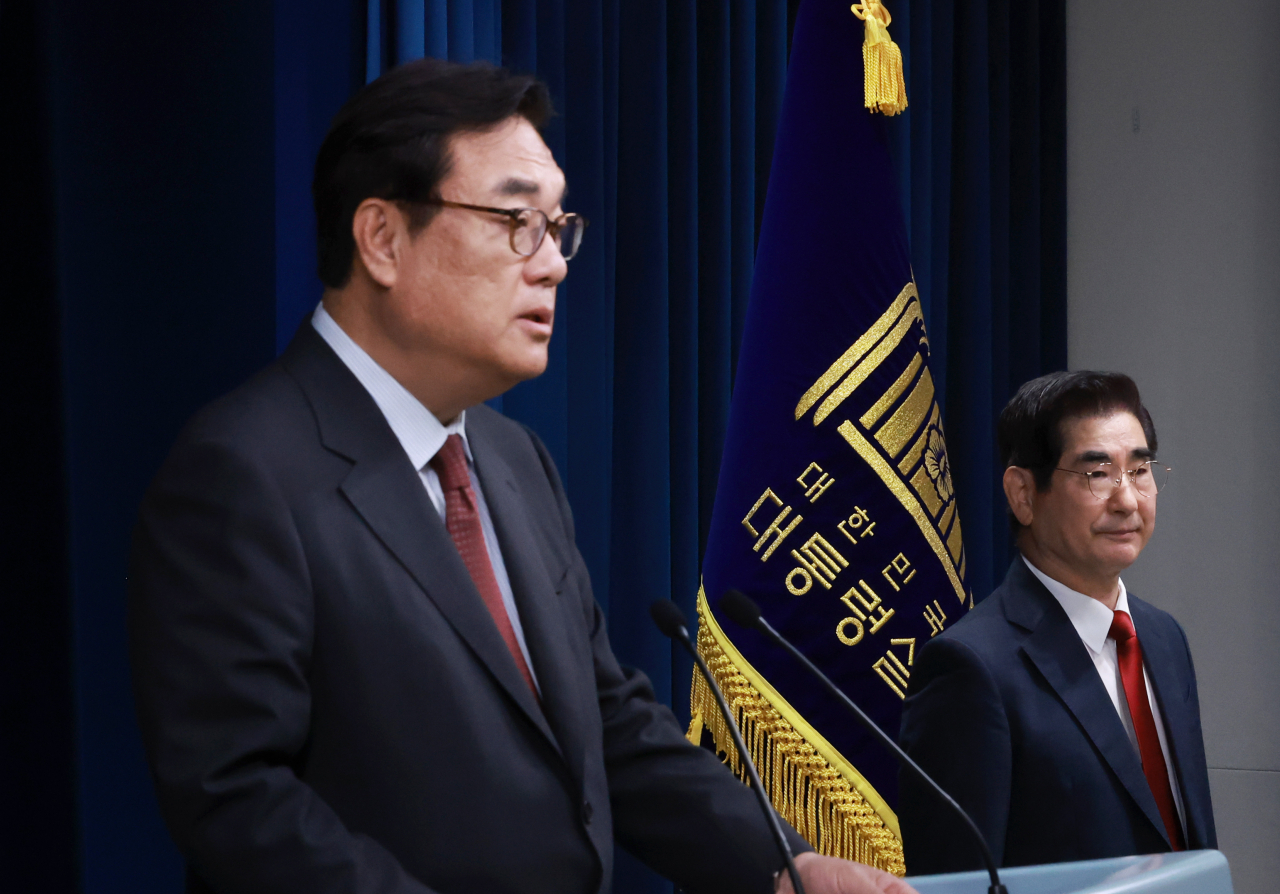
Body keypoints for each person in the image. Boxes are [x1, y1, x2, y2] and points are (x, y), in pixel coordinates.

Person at [128, 58, 915, 894]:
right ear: (383, 238)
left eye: (557, 227)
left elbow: (606, 731)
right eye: (515, 222)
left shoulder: (511, 460)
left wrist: (784, 862)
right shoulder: (242, 471)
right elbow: (237, 802)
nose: (552, 265)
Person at [897, 371, 1216, 873]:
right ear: (1023, 493)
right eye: (1097, 474)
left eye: (1139, 470)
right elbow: (954, 880)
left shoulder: (1163, 638)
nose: (1127, 500)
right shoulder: (971, 668)